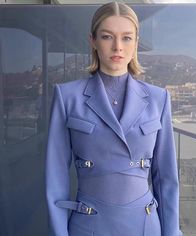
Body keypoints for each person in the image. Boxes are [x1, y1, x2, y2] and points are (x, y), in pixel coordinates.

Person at [46, 2, 182, 236]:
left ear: (136, 43)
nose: (118, 47)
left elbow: (167, 180)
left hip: (145, 227)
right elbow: (55, 180)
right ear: (93, 41)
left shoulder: (159, 99)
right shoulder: (67, 97)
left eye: (127, 38)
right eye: (108, 37)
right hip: (88, 226)